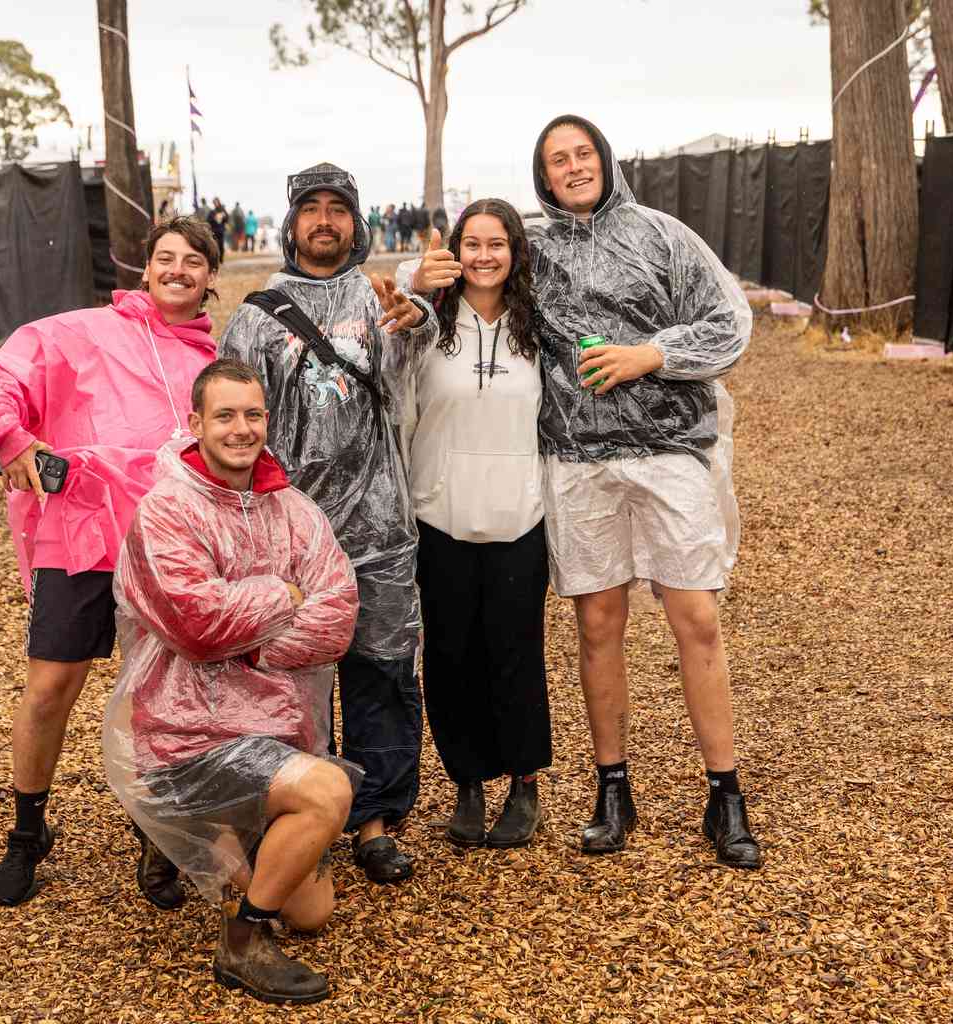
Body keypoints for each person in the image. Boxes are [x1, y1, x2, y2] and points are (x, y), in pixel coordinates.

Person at [411, 114, 761, 869]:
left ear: (604, 158)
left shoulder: (663, 236)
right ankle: (613, 789)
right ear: (541, 175)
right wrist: (419, 280)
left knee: (697, 618)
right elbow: (474, 265)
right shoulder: (533, 249)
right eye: (556, 159)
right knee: (598, 625)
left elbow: (730, 322)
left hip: (669, 451)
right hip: (575, 462)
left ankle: (724, 793)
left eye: (582, 153)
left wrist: (651, 355)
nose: (573, 167)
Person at [0, 216, 222, 907]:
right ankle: (27, 831)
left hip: (169, 546)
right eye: (165, 257)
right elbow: (8, 369)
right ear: (146, 268)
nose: (176, 270)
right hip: (79, 530)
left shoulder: (212, 365)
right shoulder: (86, 332)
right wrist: (11, 438)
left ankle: (157, 834)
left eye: (192, 260)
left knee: (162, 694)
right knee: (52, 685)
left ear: (210, 277)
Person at [103, 359, 360, 1004]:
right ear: (196, 423)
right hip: (187, 739)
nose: (241, 429)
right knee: (329, 793)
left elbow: (336, 618)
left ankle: (197, 842)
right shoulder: (166, 512)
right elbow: (197, 624)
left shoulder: (294, 510)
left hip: (276, 733)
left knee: (313, 913)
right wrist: (283, 594)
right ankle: (242, 939)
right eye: (224, 415)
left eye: (252, 414)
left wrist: (250, 648)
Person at [219, 162, 436, 885]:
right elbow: (230, 420)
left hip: (380, 531)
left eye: (336, 208)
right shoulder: (257, 314)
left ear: (355, 222)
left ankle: (374, 823)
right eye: (309, 208)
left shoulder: (380, 299)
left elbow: (412, 368)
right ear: (291, 223)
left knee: (382, 674)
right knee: (289, 686)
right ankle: (300, 818)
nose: (323, 220)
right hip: (289, 540)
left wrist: (416, 319)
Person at [396, 199, 552, 848]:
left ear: (515, 252)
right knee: (451, 656)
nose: (484, 256)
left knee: (515, 654)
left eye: (497, 244)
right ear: (454, 251)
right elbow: (387, 317)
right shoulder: (427, 324)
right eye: (472, 244)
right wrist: (413, 282)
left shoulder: (538, 327)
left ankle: (523, 783)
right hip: (441, 514)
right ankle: (467, 781)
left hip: (519, 515)